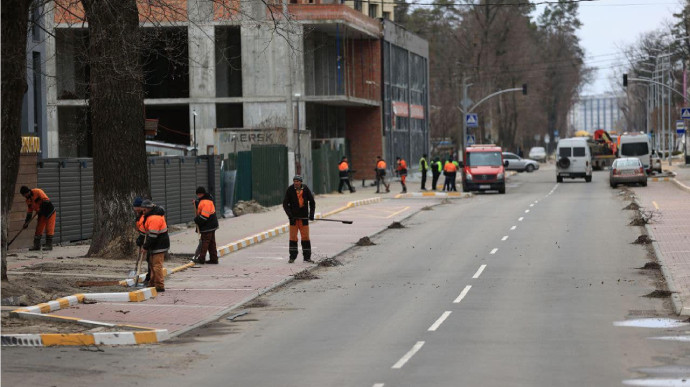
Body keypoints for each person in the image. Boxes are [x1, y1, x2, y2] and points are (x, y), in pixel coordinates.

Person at [282, 175, 316, 263]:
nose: (296, 183)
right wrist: (290, 216)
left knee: (305, 237)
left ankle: (307, 257)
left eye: (297, 181)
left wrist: (311, 214)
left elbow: (312, 202)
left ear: (301, 182)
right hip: (293, 219)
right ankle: (292, 257)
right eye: (294, 181)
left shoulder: (305, 189)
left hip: (304, 218)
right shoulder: (290, 190)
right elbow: (285, 204)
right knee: (293, 238)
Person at [141, 199, 169, 292]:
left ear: (149, 209)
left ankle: (160, 286)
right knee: (152, 265)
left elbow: (153, 235)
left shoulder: (154, 218)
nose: (143, 212)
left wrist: (145, 247)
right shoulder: (150, 216)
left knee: (157, 265)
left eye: (144, 210)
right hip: (156, 244)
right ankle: (152, 283)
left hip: (159, 244)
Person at [20, 186, 56, 251]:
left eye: (24, 194)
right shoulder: (28, 201)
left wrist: (40, 209)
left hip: (49, 211)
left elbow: (46, 201)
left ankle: (49, 245)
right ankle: (36, 246)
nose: (24, 196)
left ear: (27, 192)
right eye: (23, 195)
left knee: (49, 228)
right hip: (41, 213)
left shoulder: (38, 191)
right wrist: (26, 222)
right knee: (39, 229)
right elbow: (29, 213)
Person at [193, 186, 219, 264]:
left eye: (198, 195)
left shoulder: (206, 202)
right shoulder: (206, 200)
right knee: (211, 242)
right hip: (211, 225)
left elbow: (204, 216)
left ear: (201, 194)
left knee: (205, 242)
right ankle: (214, 259)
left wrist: (197, 220)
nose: (197, 196)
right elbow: (200, 205)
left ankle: (201, 258)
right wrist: (196, 203)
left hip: (208, 225)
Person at [133, 196, 152, 285]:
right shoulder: (139, 216)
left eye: (137, 209)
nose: (136, 211)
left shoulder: (145, 216)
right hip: (145, 238)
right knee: (149, 259)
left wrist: (142, 239)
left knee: (150, 259)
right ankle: (149, 277)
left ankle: (150, 278)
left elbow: (146, 230)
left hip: (150, 239)